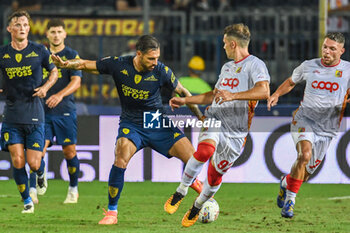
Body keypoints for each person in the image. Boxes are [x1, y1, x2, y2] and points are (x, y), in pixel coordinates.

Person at [51, 35, 204, 225]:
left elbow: (184, 93)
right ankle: (112, 213)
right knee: (121, 156)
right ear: (139, 54)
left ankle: (202, 193)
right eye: (151, 58)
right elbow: (84, 64)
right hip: (131, 123)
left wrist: (201, 118)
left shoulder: (162, 71)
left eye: (157, 58)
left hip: (156, 122)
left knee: (193, 159)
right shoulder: (118, 65)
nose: (155, 62)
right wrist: (66, 65)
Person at [164, 23, 270, 227]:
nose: (223, 47)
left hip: (237, 132)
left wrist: (234, 96)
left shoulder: (256, 65)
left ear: (232, 44)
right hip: (216, 118)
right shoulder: (227, 67)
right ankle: (181, 190)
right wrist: (186, 101)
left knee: (214, 176)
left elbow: (264, 91)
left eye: (224, 44)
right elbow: (214, 96)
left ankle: (197, 205)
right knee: (204, 151)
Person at [267, 32, 350, 218]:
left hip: (327, 128)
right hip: (304, 119)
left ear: (342, 51)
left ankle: (285, 183)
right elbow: (290, 82)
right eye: (325, 47)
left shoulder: (348, 70)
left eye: (332, 49)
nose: (326, 52)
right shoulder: (309, 65)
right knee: (304, 155)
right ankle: (290, 202)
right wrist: (276, 94)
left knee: (304, 174)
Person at [0, 10, 58, 213]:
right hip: (12, 113)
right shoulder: (2, 53)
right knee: (17, 160)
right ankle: (27, 201)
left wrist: (45, 88)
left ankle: (41, 173)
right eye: (17, 25)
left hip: (34, 112)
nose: (22, 28)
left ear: (29, 28)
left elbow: (54, 71)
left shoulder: (39, 50)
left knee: (33, 164)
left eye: (25, 25)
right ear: (10, 29)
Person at [28, 19, 82, 204]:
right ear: (47, 34)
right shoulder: (40, 54)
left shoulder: (72, 54)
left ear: (65, 34)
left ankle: (73, 189)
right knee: (37, 151)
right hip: (41, 111)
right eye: (53, 31)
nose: (56, 35)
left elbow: (76, 82)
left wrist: (59, 95)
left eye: (59, 31)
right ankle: (33, 189)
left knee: (69, 152)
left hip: (65, 110)